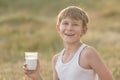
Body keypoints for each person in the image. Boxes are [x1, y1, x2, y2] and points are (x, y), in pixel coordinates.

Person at [23, 6, 114, 80]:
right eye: (65, 23)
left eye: (75, 24)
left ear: (84, 30)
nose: (69, 28)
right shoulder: (56, 59)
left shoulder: (88, 53)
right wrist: (36, 76)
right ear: (58, 28)